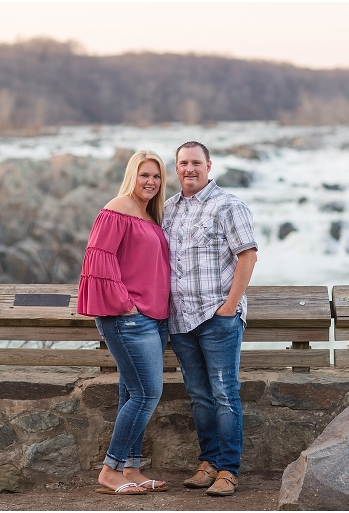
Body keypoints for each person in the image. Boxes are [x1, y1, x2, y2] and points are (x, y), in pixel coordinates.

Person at [163, 141, 258, 496]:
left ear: (208, 166)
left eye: (196, 163)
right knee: (199, 395)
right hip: (181, 319)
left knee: (224, 393)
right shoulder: (169, 209)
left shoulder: (229, 206)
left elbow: (247, 257)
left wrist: (230, 307)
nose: (190, 169)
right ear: (176, 168)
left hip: (217, 318)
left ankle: (228, 470)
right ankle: (208, 462)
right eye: (184, 163)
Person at [77, 149, 171, 496]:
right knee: (148, 393)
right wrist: (125, 305)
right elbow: (98, 259)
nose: (151, 182)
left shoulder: (148, 214)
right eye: (145, 174)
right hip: (129, 319)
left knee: (133, 393)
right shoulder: (117, 208)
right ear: (133, 175)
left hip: (153, 318)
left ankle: (131, 467)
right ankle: (109, 470)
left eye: (157, 176)